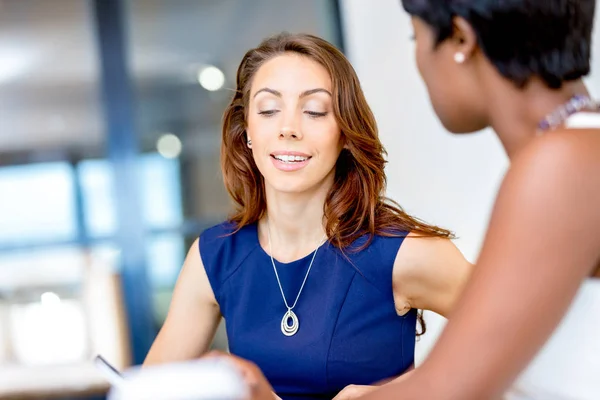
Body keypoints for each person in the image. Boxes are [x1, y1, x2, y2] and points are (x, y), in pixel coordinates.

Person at [143, 32, 472, 400]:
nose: (289, 128)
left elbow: (515, 342)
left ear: (345, 133)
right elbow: (149, 392)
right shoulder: (216, 257)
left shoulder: (405, 253)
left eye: (314, 111)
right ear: (247, 131)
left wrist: (398, 394)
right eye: (268, 110)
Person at [356, 0, 599, 399]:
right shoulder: (579, 148)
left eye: (416, 37)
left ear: (461, 38)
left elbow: (446, 392)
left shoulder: (561, 166)